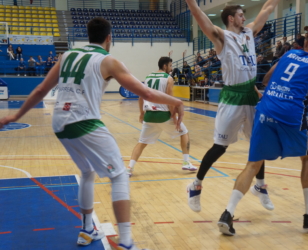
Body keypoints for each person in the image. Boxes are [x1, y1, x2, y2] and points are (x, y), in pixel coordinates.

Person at [0, 17, 184, 250]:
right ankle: (126, 243)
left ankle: (87, 229)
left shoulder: (66, 56)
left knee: (87, 171)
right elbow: (145, 93)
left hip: (59, 123)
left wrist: (16, 115)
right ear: (109, 38)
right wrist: (176, 101)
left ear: (88, 35)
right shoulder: (108, 61)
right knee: (118, 175)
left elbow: (40, 89)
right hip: (84, 121)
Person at [217, 30, 308, 236]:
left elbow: (266, 80)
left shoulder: (287, 55)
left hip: (265, 110)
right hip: (291, 115)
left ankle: (227, 214)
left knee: (252, 165)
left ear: (305, 43)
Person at [185, 0, 280, 213]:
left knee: (260, 143)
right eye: (240, 15)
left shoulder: (248, 33)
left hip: (250, 95)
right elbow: (201, 18)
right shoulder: (222, 37)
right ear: (230, 18)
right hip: (232, 97)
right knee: (220, 146)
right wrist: (191, 2)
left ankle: (260, 185)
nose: (244, 18)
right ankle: (195, 185)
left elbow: (267, 8)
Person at [127, 57, 197, 177]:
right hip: (163, 115)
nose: (171, 68)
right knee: (184, 133)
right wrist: (173, 116)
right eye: (170, 66)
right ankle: (186, 162)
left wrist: (142, 113)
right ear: (164, 66)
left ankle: (129, 168)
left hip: (149, 115)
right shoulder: (168, 79)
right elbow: (170, 98)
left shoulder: (148, 77)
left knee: (141, 143)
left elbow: (141, 97)